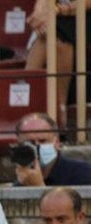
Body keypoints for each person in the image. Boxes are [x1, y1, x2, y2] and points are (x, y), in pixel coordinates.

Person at [25, 0, 91, 130]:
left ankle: (27, 105)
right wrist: (40, 14)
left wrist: (58, 10)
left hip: (81, 15)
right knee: (53, 33)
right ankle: (59, 111)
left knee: (57, 31)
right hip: (58, 20)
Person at [11, 112, 91, 188]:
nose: (36, 147)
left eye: (42, 141)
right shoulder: (21, 183)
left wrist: (38, 187)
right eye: (30, 142)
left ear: (57, 143)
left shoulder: (83, 173)